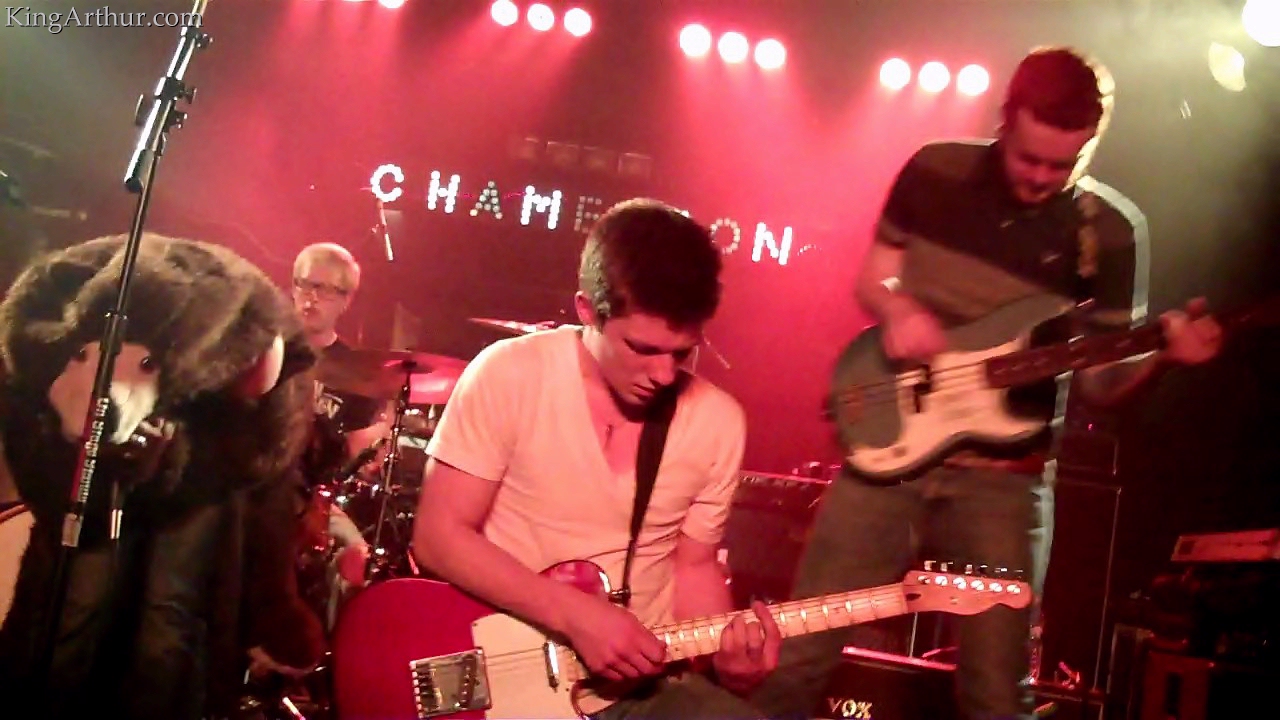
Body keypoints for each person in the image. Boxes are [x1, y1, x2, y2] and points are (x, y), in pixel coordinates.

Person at [747, 47, 1224, 720]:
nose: (1042, 178)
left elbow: (1100, 386)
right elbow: (872, 278)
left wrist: (1165, 359)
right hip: (889, 459)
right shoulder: (934, 168)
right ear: (1006, 119)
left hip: (1005, 482)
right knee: (799, 655)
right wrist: (898, 308)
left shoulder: (1112, 232)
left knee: (997, 694)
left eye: (1064, 164)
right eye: (1030, 159)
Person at [413, 199, 781, 718]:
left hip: (638, 696)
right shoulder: (509, 374)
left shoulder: (717, 422)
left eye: (682, 352)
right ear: (587, 311)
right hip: (506, 678)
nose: (664, 375)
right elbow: (438, 537)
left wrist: (728, 667)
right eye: (642, 349)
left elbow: (693, 566)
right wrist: (575, 616)